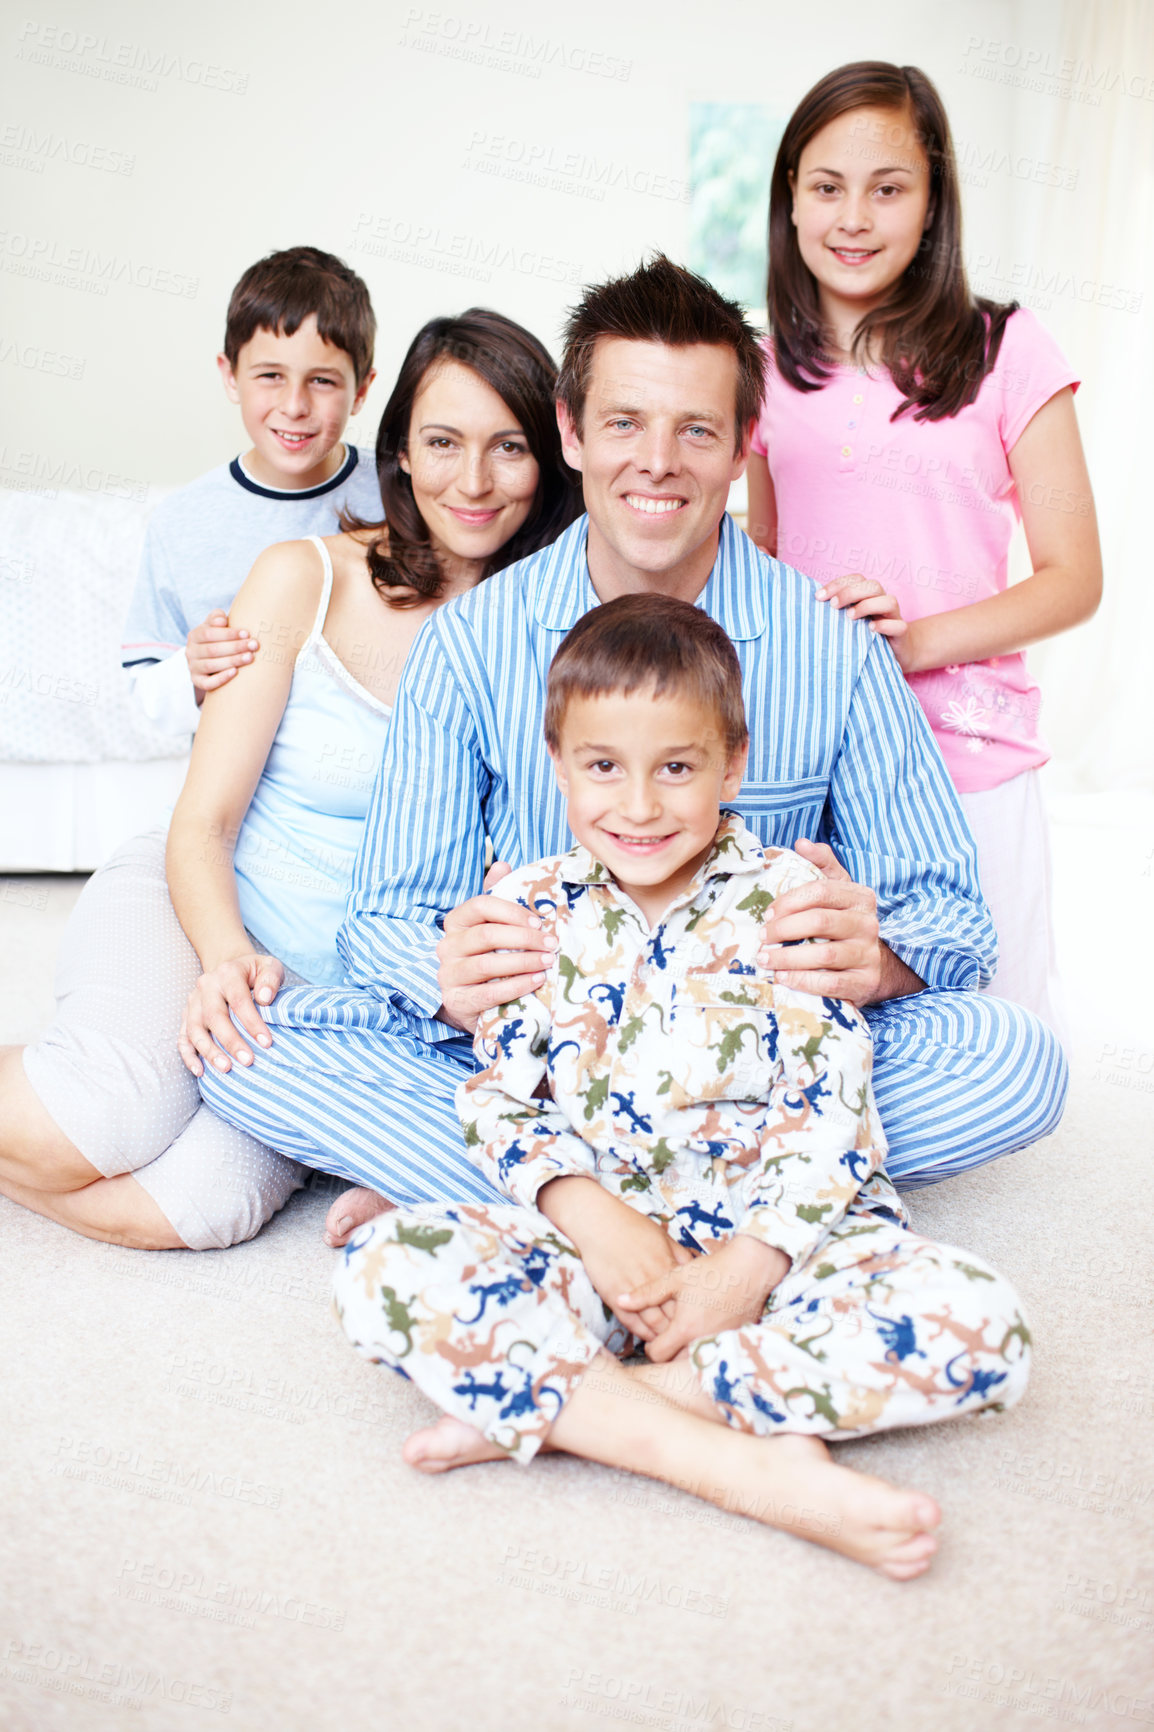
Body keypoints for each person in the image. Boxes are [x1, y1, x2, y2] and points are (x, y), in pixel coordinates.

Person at [197, 254, 1067, 1250]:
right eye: (622, 423)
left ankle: (533, 1197)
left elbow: (950, 917)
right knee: (250, 1052)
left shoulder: (832, 648)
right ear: (571, 432)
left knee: (1011, 1058)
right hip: (542, 1057)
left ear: (743, 443)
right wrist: (448, 967)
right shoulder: (472, 642)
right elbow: (382, 918)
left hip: (755, 1073)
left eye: (695, 429)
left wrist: (878, 960)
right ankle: (718, 1208)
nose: (656, 460)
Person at [333, 594, 1030, 1578]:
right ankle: (739, 1464)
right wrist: (588, 1215)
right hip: (602, 1252)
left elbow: (830, 1114)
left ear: (731, 764)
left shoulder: (789, 902)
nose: (639, 806)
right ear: (558, 761)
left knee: (980, 1321)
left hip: (780, 1255)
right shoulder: (526, 907)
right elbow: (496, 1097)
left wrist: (744, 1270)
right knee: (385, 1265)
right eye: (601, 767)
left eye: (676, 767)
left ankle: (574, 1407)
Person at [0, 311, 581, 1249]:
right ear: (396, 451)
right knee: (93, 1125)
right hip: (204, 908)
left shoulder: (560, 626)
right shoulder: (303, 579)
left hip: (342, 1001)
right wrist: (225, 959)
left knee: (197, 1211)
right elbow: (205, 822)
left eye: (507, 448)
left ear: (552, 460)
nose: (471, 482)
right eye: (441, 442)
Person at [745, 62, 1102, 1034]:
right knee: (823, 1031)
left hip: (965, 748)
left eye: (887, 187)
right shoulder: (759, 366)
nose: (852, 217)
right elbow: (761, 553)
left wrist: (910, 642)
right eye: (825, 187)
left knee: (999, 1037)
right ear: (789, 197)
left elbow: (1074, 577)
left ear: (932, 200)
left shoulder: (1007, 346)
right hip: (810, 746)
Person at [121, 244, 382, 738]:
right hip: (240, 782)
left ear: (362, 389)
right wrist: (191, 673)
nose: (294, 405)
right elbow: (143, 688)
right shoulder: (183, 521)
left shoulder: (398, 497)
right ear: (230, 376)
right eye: (270, 376)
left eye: (322, 381)